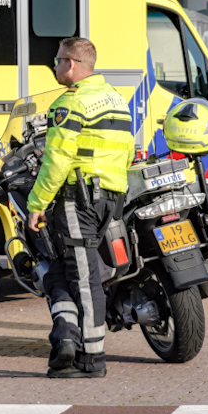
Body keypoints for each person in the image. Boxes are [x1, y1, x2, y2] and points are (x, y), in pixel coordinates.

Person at [26, 37, 136, 379]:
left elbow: (57, 160)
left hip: (79, 197)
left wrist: (37, 203)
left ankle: (91, 359)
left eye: (58, 60)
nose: (55, 66)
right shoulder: (115, 99)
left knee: (84, 279)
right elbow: (126, 150)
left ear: (72, 64)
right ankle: (70, 343)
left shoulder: (70, 104)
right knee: (75, 271)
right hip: (109, 197)